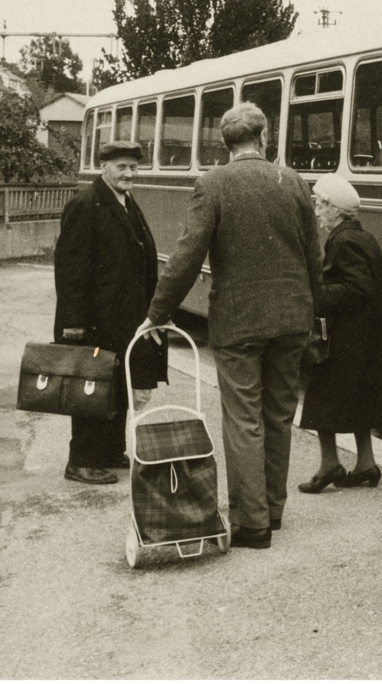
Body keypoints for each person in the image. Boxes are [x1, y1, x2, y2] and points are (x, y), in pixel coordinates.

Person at [137, 103, 322, 550]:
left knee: (243, 420)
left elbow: (185, 258)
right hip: (292, 317)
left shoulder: (213, 184)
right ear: (264, 137)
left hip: (239, 321)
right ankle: (273, 512)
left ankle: (252, 523)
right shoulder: (293, 181)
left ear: (226, 143)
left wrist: (157, 314)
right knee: (279, 415)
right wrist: (314, 313)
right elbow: (314, 257)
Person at [53, 139, 167, 485]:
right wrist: (73, 321)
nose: (129, 173)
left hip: (123, 317)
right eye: (121, 167)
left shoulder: (127, 201)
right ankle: (81, 460)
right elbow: (70, 266)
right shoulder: (86, 204)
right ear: (104, 167)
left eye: (133, 167)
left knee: (117, 385)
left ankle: (109, 451)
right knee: (91, 387)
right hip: (93, 319)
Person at [297, 173, 382, 494]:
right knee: (360, 401)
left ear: (336, 209)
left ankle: (329, 464)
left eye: (321, 205)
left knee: (319, 398)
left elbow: (356, 288)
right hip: (362, 340)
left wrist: (316, 293)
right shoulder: (362, 237)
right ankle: (365, 464)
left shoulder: (342, 240)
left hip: (344, 341)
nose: (317, 211)